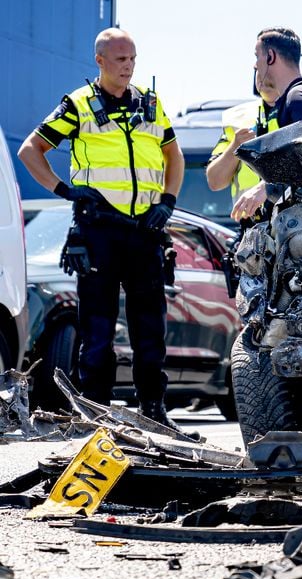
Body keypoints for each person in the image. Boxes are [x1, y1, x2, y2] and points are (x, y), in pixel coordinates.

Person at [16, 28, 185, 427]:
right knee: (97, 330)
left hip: (145, 231)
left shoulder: (150, 104)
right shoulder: (78, 105)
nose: (129, 66)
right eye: (121, 59)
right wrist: (66, 190)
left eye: (133, 58)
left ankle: (154, 411)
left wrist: (167, 201)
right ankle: (95, 413)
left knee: (150, 330)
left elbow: (173, 156)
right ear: (100, 61)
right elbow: (30, 150)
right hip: (99, 231)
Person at [227, 27, 302, 222]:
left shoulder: (299, 98)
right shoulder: (297, 96)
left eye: (257, 56)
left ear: (270, 56)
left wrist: (265, 188)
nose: (255, 65)